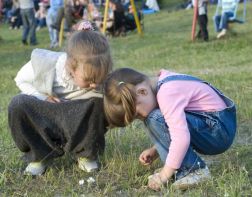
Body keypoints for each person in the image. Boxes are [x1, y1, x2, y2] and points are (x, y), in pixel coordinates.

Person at [103, 68, 236, 190]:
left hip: (217, 131)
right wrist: (156, 148)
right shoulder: (162, 85)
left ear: (142, 92)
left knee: (154, 118)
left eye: (136, 114)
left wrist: (164, 175)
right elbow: (177, 126)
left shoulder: (167, 93)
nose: (139, 118)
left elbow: (181, 138)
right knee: (155, 118)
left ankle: (193, 170)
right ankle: (177, 169)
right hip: (214, 126)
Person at [8, 21, 113, 176]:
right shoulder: (47, 65)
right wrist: (42, 97)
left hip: (78, 122)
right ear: (71, 66)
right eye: (89, 80)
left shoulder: (98, 73)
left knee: (98, 104)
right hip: (47, 118)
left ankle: (85, 153)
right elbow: (20, 79)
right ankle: (39, 156)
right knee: (18, 103)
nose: (94, 84)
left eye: (99, 78)